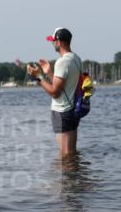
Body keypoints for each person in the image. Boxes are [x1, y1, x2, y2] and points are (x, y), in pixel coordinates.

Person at [27, 27, 82, 157]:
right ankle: (74, 176)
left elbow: (55, 92)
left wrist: (38, 78)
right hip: (73, 110)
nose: (52, 44)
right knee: (71, 154)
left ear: (59, 42)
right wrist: (49, 72)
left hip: (63, 112)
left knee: (66, 155)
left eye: (53, 41)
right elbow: (64, 86)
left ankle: (68, 177)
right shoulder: (76, 58)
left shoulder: (62, 62)